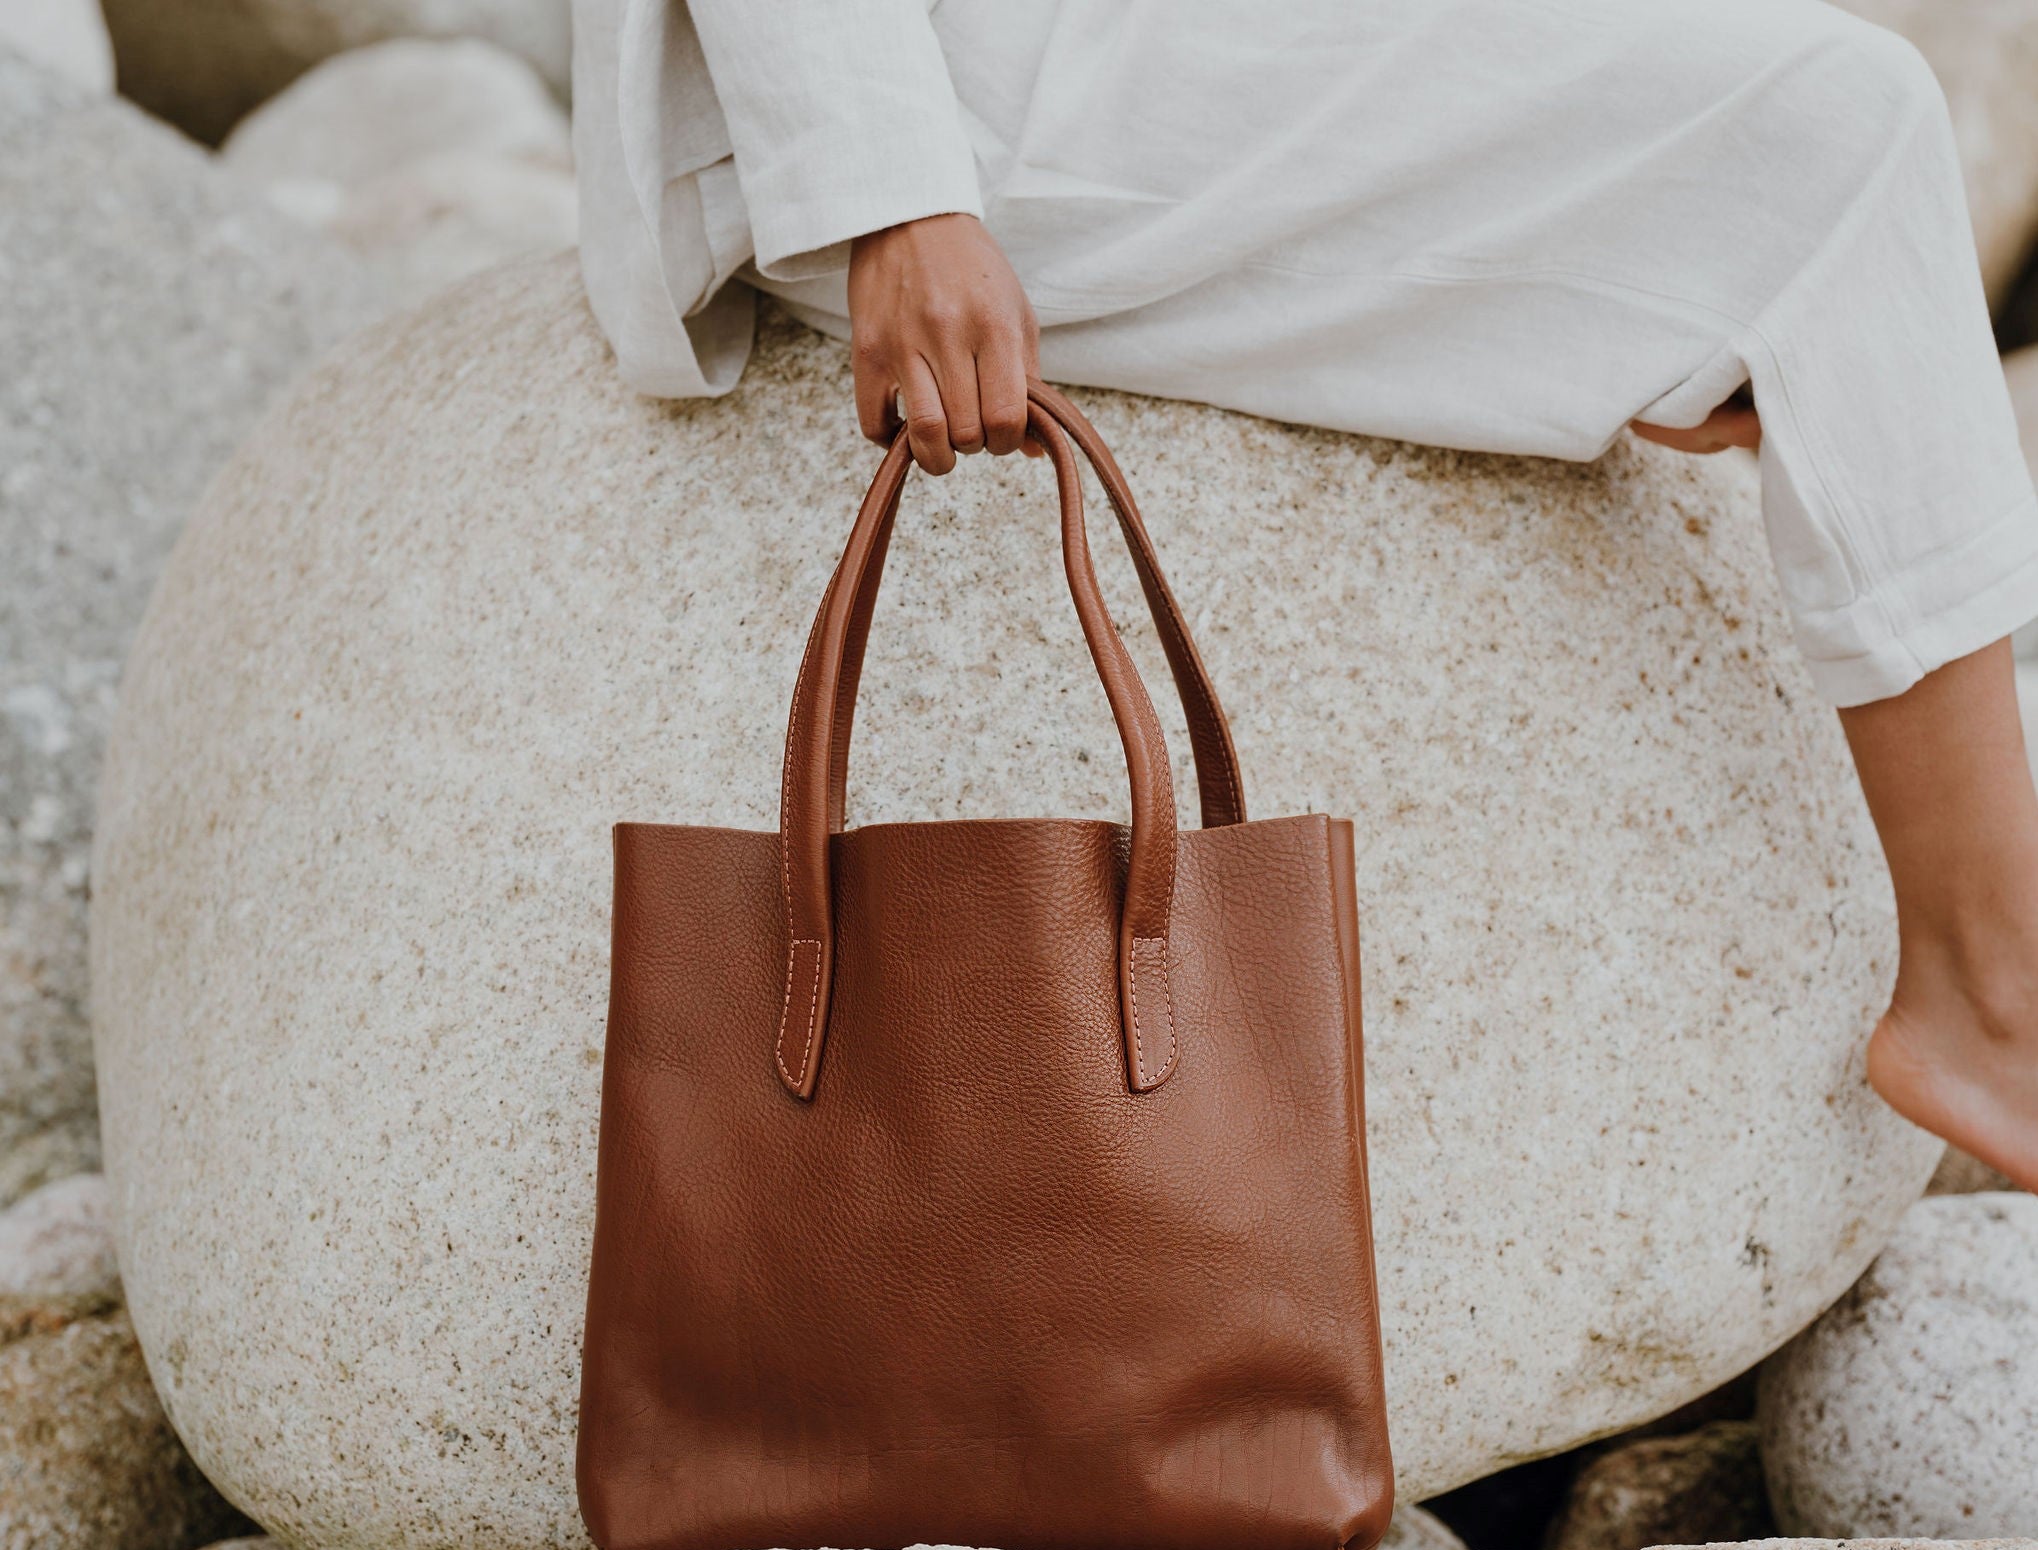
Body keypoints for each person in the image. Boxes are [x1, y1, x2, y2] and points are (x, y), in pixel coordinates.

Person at [571, 0, 2038, 1191]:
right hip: (943, 79)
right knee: (1841, 131)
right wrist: (887, 191)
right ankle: (1996, 994)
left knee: (1798, 151)